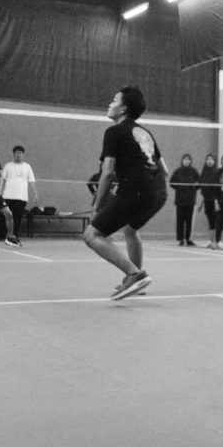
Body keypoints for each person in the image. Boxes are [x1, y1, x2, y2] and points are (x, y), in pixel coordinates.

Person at [83, 86, 168, 300]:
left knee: (92, 235)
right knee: (130, 229)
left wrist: (96, 207)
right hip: (159, 192)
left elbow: (107, 173)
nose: (110, 104)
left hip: (136, 191)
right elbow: (164, 170)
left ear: (123, 109)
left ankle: (134, 274)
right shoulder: (145, 133)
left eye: (114, 100)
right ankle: (137, 282)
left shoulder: (113, 132)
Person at [0, 145, 38, 241]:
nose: (18, 155)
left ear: (23, 155)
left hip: (22, 197)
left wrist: (35, 193)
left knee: (18, 217)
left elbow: (31, 180)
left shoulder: (27, 167)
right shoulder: (8, 166)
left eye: (20, 153)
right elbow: (2, 179)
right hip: (7, 196)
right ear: (13, 154)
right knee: (5, 216)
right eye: (16, 153)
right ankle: (2, 235)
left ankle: (14, 236)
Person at [169, 154, 200, 246]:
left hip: (190, 200)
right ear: (182, 161)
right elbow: (172, 182)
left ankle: (188, 239)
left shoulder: (194, 171)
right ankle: (181, 239)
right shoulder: (178, 171)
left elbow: (199, 183)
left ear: (190, 161)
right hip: (180, 200)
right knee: (180, 220)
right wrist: (179, 188)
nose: (186, 161)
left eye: (188, 159)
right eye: (185, 159)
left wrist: (194, 188)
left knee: (189, 220)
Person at [198, 154, 220, 249]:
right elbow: (201, 187)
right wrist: (201, 204)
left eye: (211, 159)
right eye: (208, 159)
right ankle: (210, 240)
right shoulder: (204, 173)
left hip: (215, 200)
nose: (209, 161)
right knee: (210, 220)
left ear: (214, 162)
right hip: (207, 200)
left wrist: (217, 200)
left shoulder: (217, 172)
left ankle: (217, 241)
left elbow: (217, 188)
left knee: (216, 220)